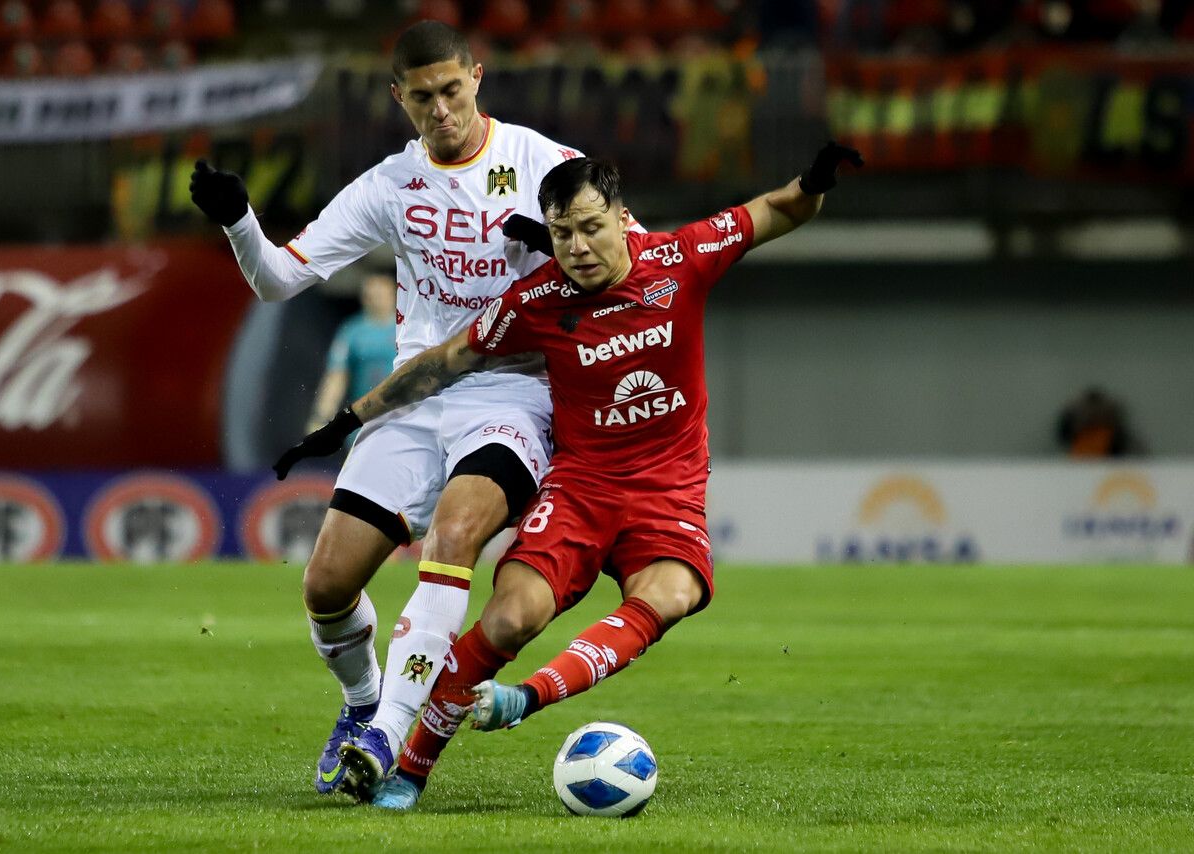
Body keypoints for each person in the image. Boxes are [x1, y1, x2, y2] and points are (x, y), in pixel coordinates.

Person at [277, 145, 862, 810]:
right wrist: (349, 419)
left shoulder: (681, 259)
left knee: (672, 592)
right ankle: (410, 769)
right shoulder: (535, 300)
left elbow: (777, 209)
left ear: (622, 217)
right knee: (509, 618)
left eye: (590, 228)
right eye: (561, 234)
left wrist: (814, 180)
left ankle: (523, 699)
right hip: (581, 488)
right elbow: (446, 359)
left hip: (666, 492)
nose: (578, 248)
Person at [189, 20, 591, 799]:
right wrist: (239, 222)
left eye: (453, 90)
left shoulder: (543, 162)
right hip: (417, 394)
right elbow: (278, 279)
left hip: (513, 393)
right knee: (326, 586)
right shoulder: (388, 186)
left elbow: (633, 260)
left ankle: (388, 735)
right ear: (398, 97)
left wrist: (560, 244)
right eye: (423, 97)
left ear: (477, 78)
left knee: (455, 534)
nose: (441, 110)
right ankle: (363, 702)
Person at [306, 273, 398, 438]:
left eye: (381, 295)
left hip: (402, 416)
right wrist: (322, 416)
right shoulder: (352, 331)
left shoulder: (407, 328)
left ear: (393, 295)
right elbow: (337, 376)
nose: (376, 300)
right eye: (371, 296)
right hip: (363, 419)